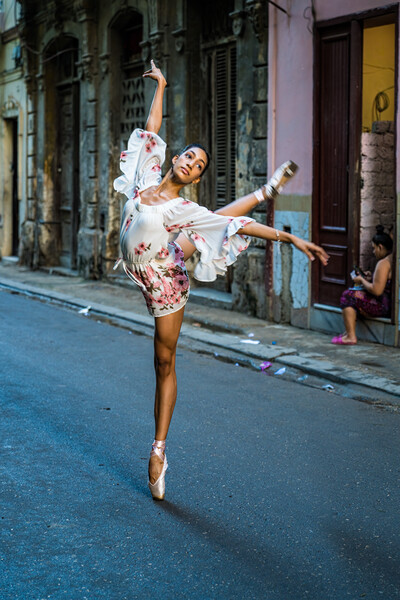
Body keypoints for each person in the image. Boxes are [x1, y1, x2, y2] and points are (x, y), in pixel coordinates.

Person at [114, 60, 329, 500]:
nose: (192, 163)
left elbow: (242, 228)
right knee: (198, 231)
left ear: (194, 178)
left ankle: (158, 450)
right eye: (190, 156)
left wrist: (287, 236)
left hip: (165, 281)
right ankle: (264, 192)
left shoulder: (181, 207)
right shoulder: (144, 179)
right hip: (154, 255)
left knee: (164, 364)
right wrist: (163, 84)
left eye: (199, 166)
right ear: (175, 159)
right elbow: (152, 128)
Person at [331, 225, 393, 346]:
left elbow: (377, 290)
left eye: (374, 249)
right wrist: (370, 278)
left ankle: (351, 336)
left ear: (380, 247)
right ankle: (347, 332)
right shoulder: (391, 259)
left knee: (348, 296)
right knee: (353, 295)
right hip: (388, 304)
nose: (374, 252)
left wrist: (361, 281)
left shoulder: (383, 263)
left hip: (383, 306)